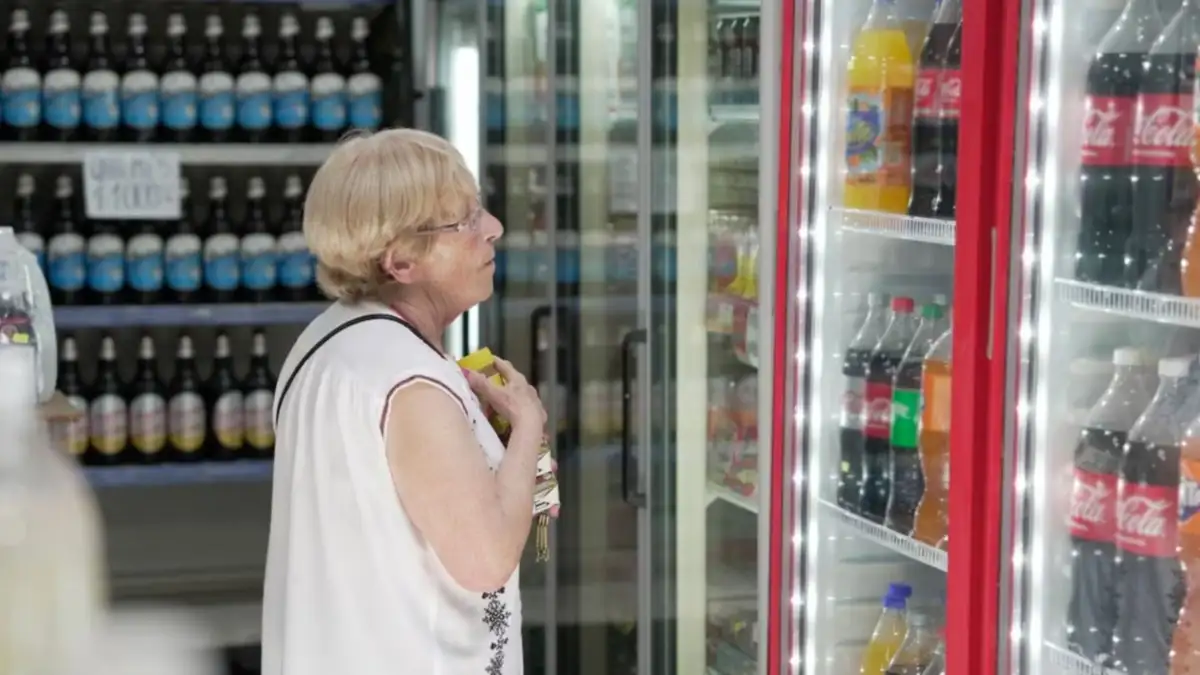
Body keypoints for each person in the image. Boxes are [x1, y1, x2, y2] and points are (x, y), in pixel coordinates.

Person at [262, 128, 548, 675]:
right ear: (400, 262)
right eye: (466, 220)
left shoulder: (327, 341)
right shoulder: (413, 384)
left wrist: (499, 450)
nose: (493, 228)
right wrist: (529, 422)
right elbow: (487, 559)